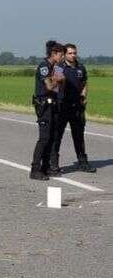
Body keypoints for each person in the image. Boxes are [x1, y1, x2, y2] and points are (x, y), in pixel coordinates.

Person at [50, 44, 96, 173]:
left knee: (79, 136)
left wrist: (84, 95)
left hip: (77, 106)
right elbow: (54, 85)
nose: (73, 55)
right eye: (70, 53)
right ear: (65, 54)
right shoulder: (59, 67)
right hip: (62, 105)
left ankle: (83, 162)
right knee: (57, 135)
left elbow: (84, 83)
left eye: (75, 53)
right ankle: (54, 164)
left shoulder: (80, 67)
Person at [30, 41, 66, 180]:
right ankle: (35, 170)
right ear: (54, 53)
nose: (62, 58)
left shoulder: (55, 67)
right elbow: (50, 86)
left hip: (53, 105)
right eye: (61, 55)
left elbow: (56, 89)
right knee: (44, 138)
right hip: (44, 105)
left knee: (52, 137)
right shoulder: (44, 66)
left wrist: (59, 80)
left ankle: (46, 167)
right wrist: (58, 80)